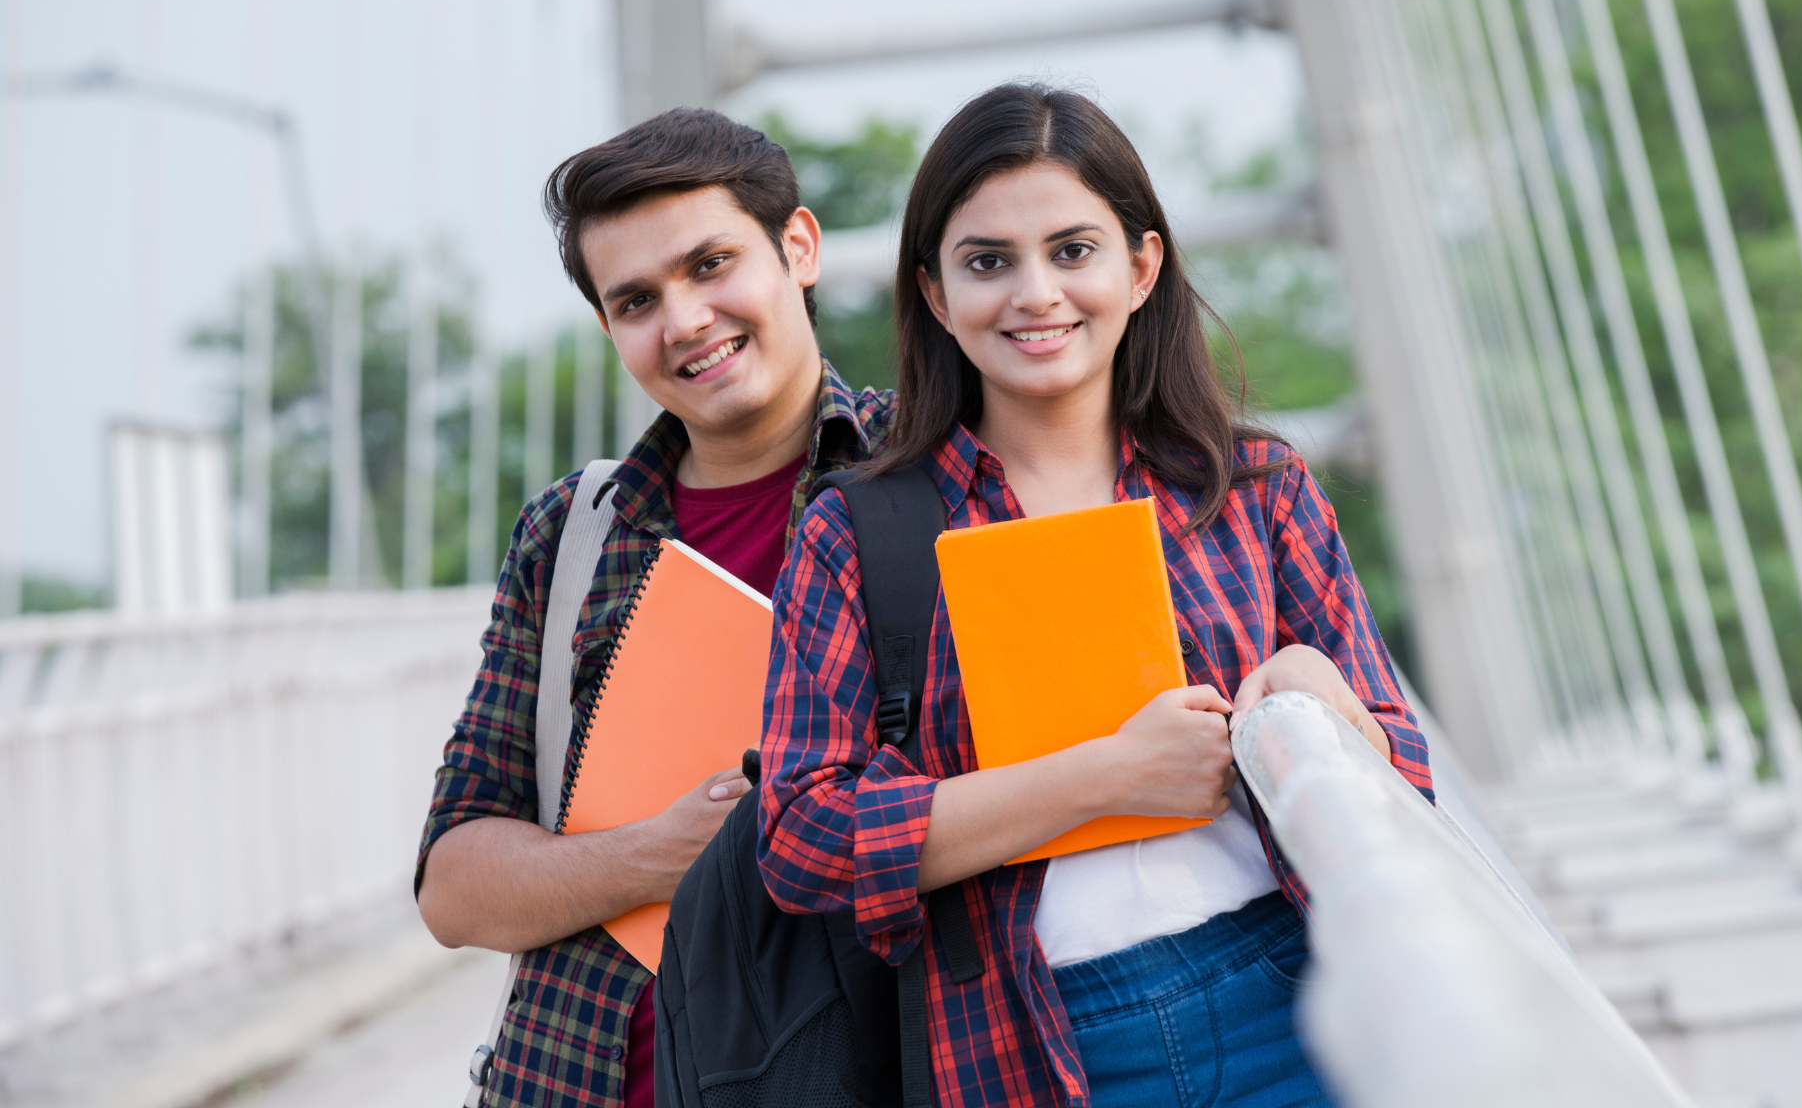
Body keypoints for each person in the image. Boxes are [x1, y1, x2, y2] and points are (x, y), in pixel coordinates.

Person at [756, 84, 1434, 1108]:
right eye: (988, 262)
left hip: (1293, 994)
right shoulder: (857, 535)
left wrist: (1313, 697)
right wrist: (1109, 776)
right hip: (1032, 1039)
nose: (1036, 294)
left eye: (1073, 250)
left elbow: (1403, 769)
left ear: (1141, 266)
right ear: (937, 294)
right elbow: (805, 839)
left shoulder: (1252, 489)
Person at [416, 107, 894, 1108]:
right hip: (577, 1081)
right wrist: (657, 854)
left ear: (797, 248)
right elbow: (456, 886)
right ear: (608, 327)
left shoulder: (938, 479)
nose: (683, 321)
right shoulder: (573, 533)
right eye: (637, 299)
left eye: (712, 264)